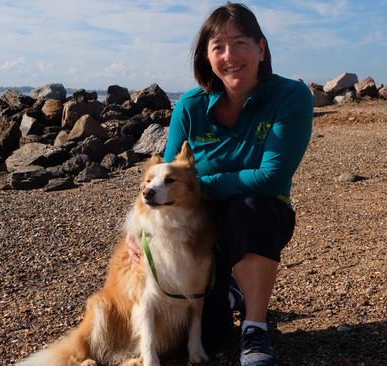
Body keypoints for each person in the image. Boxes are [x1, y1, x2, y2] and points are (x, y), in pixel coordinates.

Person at [126, 2, 313, 366]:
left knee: (249, 209)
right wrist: (139, 231)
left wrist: (199, 184)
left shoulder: (290, 97)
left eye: (240, 43)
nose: (230, 56)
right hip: (198, 230)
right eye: (218, 47)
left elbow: (270, 176)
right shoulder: (190, 107)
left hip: (259, 218)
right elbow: (166, 175)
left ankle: (256, 329)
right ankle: (231, 293)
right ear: (206, 57)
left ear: (261, 48)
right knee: (207, 337)